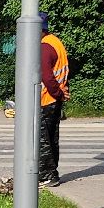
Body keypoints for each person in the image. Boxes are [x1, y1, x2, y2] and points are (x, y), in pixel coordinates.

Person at [39, 18, 69, 186]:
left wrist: (57, 92)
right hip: (55, 99)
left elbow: (47, 76)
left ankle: (48, 175)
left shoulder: (44, 47)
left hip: (46, 99)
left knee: (43, 141)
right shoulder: (56, 42)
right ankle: (50, 172)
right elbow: (63, 70)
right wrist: (62, 93)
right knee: (51, 138)